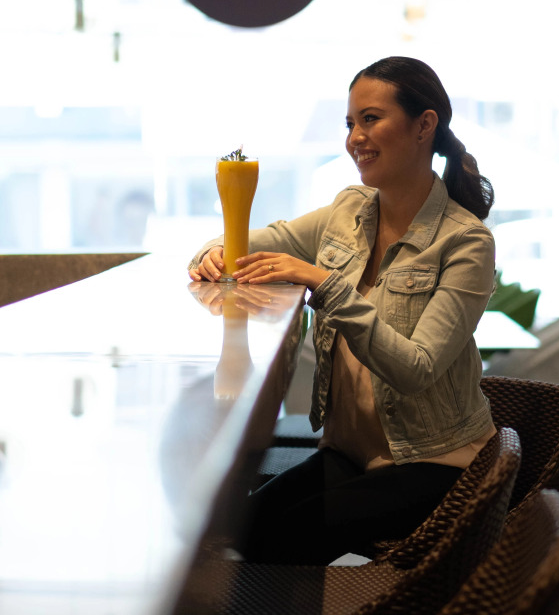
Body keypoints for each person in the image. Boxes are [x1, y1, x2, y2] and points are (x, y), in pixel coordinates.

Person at [188, 56, 496, 565]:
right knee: (238, 526)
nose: (355, 138)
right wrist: (213, 254)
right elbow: (252, 241)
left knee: (279, 541)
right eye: (350, 123)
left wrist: (323, 281)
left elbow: (416, 368)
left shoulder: (466, 242)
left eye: (370, 119)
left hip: (435, 462)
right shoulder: (348, 210)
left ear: (424, 125)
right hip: (352, 454)